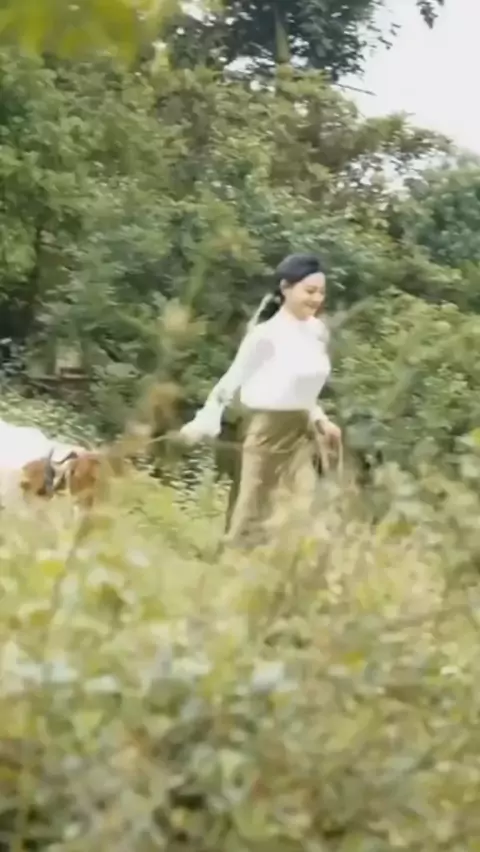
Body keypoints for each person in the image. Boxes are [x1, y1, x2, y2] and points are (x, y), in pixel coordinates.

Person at [180, 253, 341, 549]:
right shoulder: (266, 335)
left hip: (303, 432)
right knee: (253, 513)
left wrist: (321, 419)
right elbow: (232, 380)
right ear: (285, 288)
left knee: (305, 509)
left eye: (321, 292)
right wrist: (203, 422)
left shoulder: (317, 332)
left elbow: (305, 389)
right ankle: (233, 566)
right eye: (309, 291)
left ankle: (290, 570)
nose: (316, 299)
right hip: (267, 431)